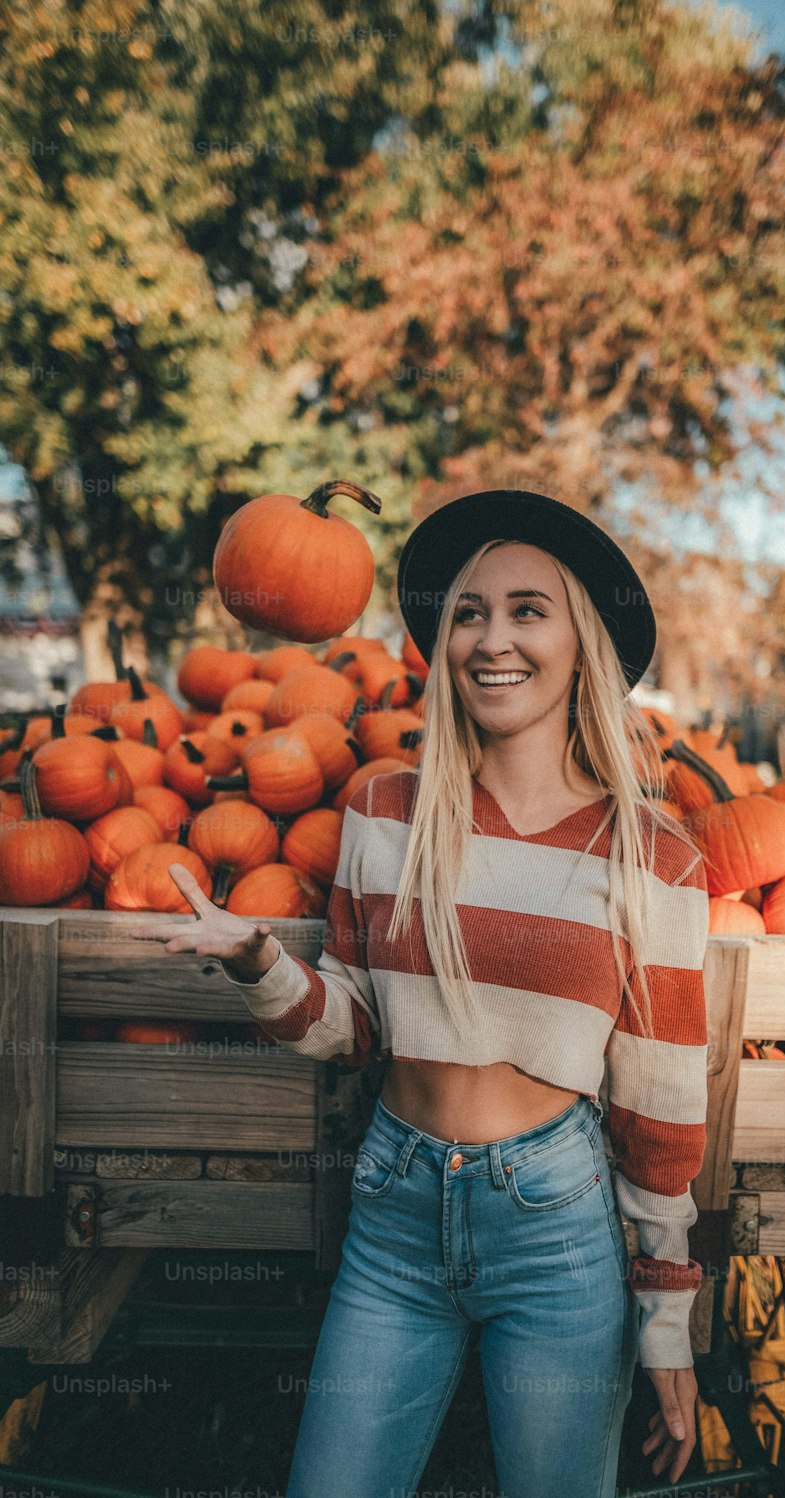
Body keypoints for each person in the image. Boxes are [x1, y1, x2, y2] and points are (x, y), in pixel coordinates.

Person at [137, 489, 710, 1498]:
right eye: (469, 612)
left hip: (553, 1225)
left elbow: (659, 1112)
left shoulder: (650, 857)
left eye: (529, 609)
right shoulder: (383, 809)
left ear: (584, 642)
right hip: (394, 1215)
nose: (493, 638)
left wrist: (667, 1326)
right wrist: (256, 962)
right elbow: (355, 1029)